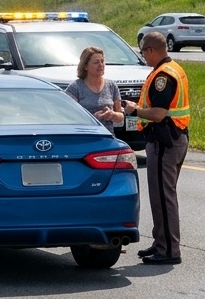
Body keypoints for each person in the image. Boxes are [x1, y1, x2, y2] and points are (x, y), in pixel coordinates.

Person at [123, 31, 190, 265]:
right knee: (160, 195)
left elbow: (159, 113)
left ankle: (170, 250)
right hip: (173, 138)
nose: (143, 56)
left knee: (163, 196)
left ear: (151, 50)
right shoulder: (173, 68)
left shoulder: (163, 76)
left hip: (165, 141)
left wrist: (134, 110)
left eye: (143, 52)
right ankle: (160, 242)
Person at [65, 46, 124, 131]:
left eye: (102, 61)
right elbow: (68, 116)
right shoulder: (75, 87)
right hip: (85, 136)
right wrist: (92, 118)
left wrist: (112, 114)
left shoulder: (112, 85)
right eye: (96, 62)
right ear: (85, 66)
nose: (100, 65)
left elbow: (120, 116)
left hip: (107, 136)